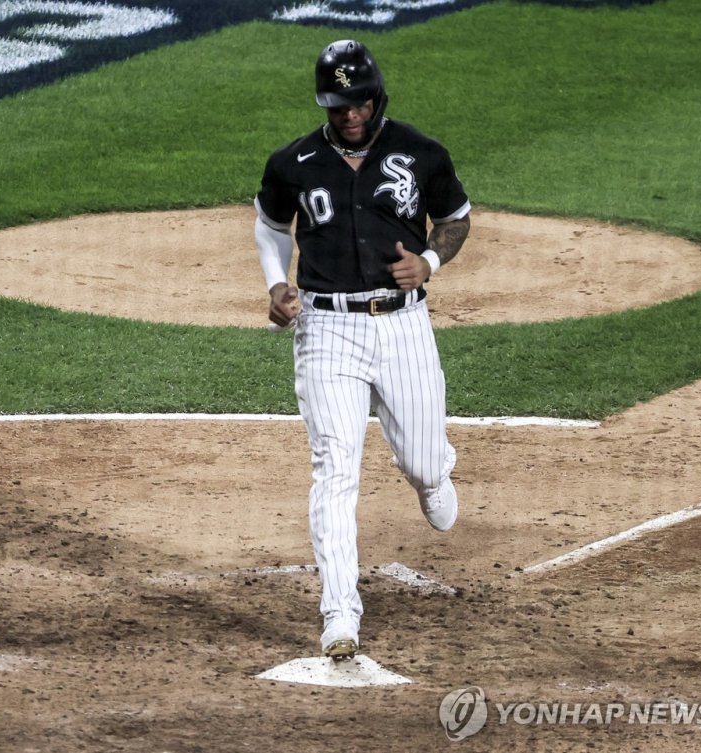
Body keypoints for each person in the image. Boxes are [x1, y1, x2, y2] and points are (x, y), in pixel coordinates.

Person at [254, 39, 471, 661]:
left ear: (377, 96)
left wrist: (428, 261)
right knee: (334, 467)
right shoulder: (293, 162)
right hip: (326, 330)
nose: (349, 114)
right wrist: (276, 282)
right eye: (338, 104)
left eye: (359, 102)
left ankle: (433, 473)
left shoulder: (422, 152)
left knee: (424, 462)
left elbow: (456, 218)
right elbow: (270, 226)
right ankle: (339, 613)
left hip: (403, 327)